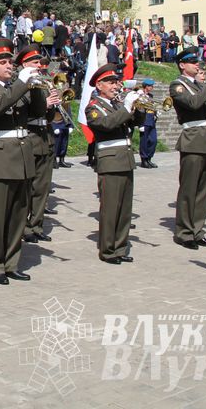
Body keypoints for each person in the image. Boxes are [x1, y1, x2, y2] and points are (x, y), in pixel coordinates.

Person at [0, 38, 45, 285]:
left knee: (18, 215)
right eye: (2, 62)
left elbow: (38, 112)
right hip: (1, 158)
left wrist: (36, 88)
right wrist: (22, 84)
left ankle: (12, 262)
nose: (9, 66)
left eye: (10, 62)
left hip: (22, 157)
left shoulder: (19, 86)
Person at [170, 47, 206, 250]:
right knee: (189, 189)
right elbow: (193, 104)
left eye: (198, 62)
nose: (197, 65)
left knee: (203, 190)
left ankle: (197, 230)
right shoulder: (178, 85)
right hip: (193, 140)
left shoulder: (200, 85)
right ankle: (184, 232)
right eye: (193, 62)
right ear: (183, 65)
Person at [85, 63, 139, 263]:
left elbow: (134, 122)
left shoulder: (117, 104)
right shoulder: (93, 107)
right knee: (110, 208)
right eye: (110, 82)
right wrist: (126, 108)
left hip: (125, 158)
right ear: (99, 85)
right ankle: (108, 250)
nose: (116, 86)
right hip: (109, 160)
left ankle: (121, 247)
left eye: (116, 82)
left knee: (125, 208)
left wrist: (136, 108)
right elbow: (106, 124)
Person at [16, 44, 58, 244]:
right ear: (24, 64)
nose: (39, 66)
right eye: (34, 62)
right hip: (30, 136)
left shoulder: (42, 83)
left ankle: (37, 225)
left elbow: (49, 116)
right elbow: (24, 111)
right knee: (26, 188)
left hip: (45, 137)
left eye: (39, 62)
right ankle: (23, 227)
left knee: (42, 187)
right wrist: (45, 104)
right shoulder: (21, 84)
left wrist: (53, 104)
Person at [135, 79, 159, 168]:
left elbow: (152, 107)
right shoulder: (139, 96)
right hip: (144, 121)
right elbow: (138, 109)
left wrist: (156, 113)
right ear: (145, 86)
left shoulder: (150, 96)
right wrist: (140, 124)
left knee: (153, 140)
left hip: (151, 120)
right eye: (149, 86)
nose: (151, 88)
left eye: (152, 86)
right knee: (144, 142)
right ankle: (144, 160)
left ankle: (149, 158)